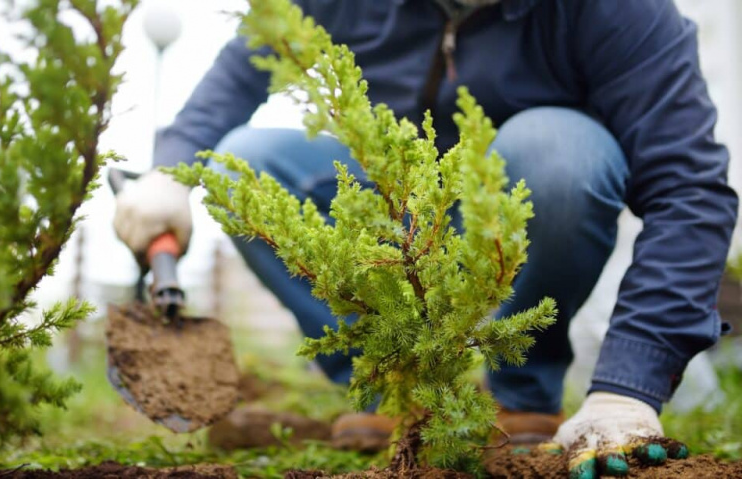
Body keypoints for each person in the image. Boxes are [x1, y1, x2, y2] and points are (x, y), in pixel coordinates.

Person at [113, 0, 738, 475]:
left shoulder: (614, 13)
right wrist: (169, 169)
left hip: (520, 215)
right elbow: (242, 66)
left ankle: (522, 389)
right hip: (397, 216)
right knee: (236, 167)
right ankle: (389, 383)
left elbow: (689, 190)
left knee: (558, 151)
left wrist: (628, 386)